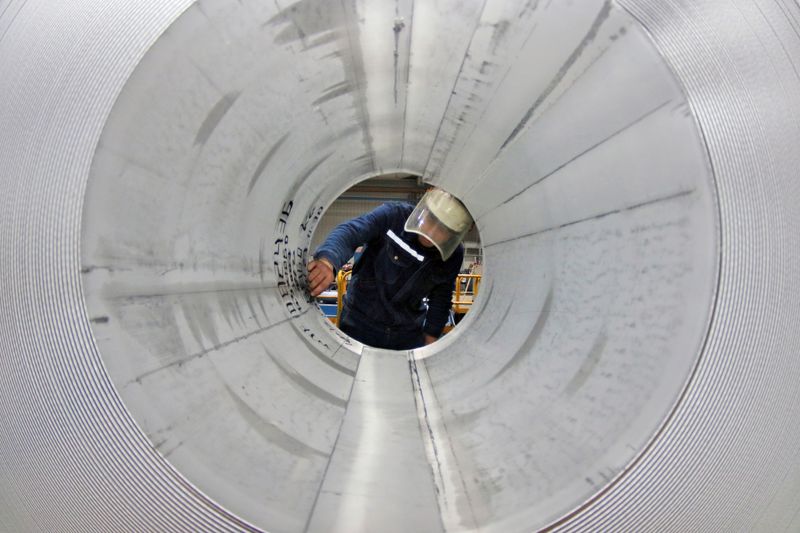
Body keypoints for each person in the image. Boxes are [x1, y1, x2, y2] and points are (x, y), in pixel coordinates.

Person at [307, 188, 473, 350]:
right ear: (424, 209)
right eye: (431, 219)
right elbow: (352, 232)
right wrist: (328, 260)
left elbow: (441, 299)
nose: (432, 231)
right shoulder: (393, 216)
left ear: (453, 233)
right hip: (360, 325)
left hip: (406, 334)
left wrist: (430, 339)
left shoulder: (452, 254)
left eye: (443, 229)